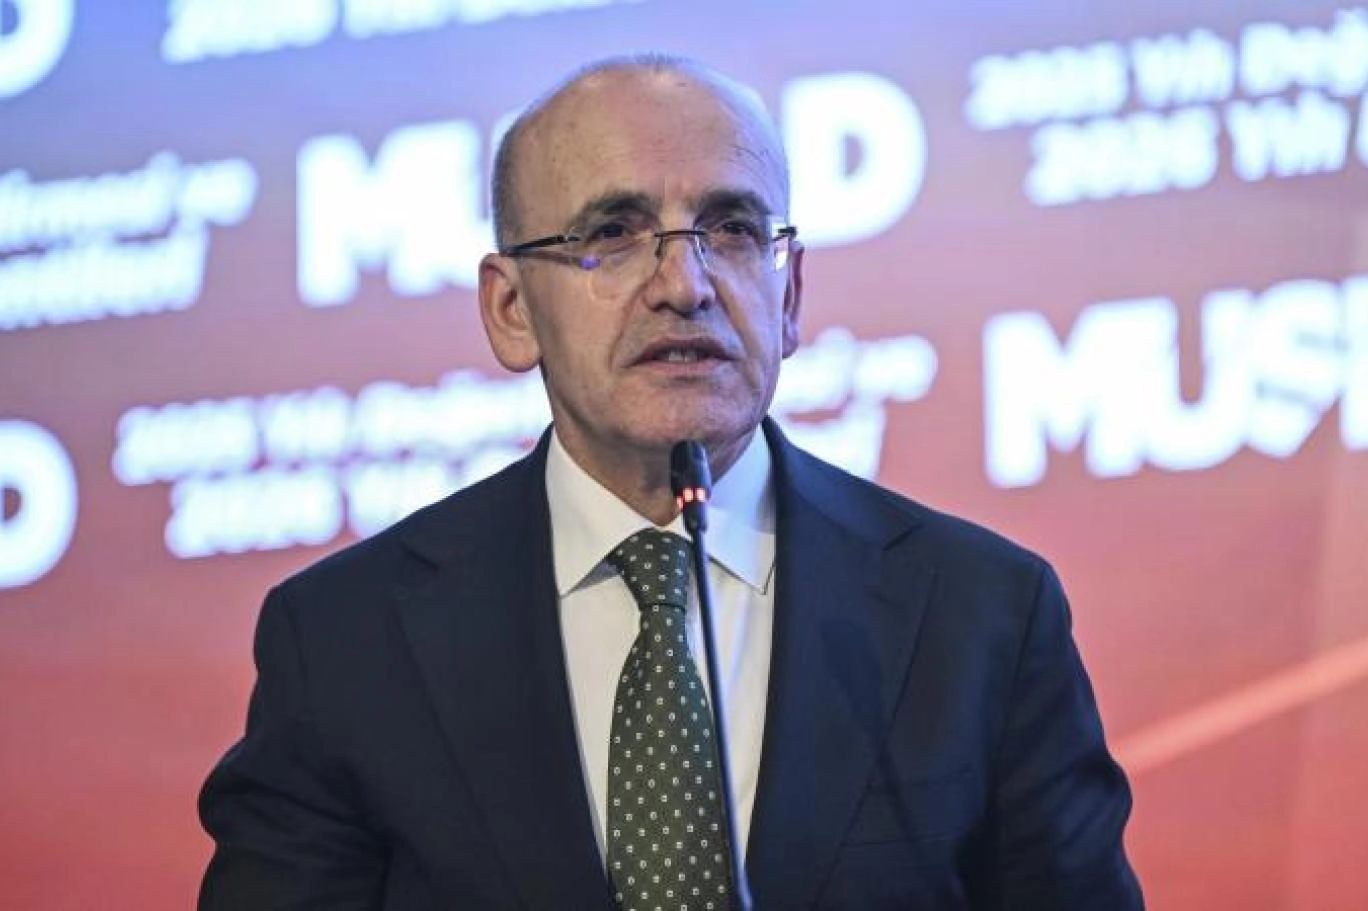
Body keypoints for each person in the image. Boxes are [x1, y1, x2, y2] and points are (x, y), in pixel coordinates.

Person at [198, 53, 1144, 910]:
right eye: (614, 232)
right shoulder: (349, 641)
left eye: (731, 229)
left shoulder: (982, 614)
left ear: (790, 296)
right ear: (511, 309)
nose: (685, 283)